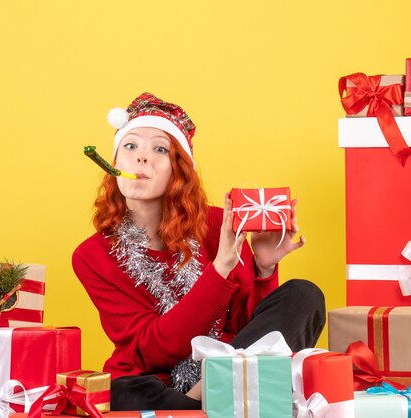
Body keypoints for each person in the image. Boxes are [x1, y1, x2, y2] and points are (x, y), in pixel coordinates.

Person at [72, 92, 326, 411]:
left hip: (226, 363)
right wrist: (219, 271)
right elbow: (153, 351)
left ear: (179, 170)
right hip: (157, 379)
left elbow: (254, 332)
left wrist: (263, 271)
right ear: (114, 162)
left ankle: (208, 394)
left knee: (304, 295)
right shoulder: (92, 256)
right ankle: (216, 398)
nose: (141, 158)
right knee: (120, 391)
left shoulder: (219, 223)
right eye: (131, 145)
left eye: (160, 149)